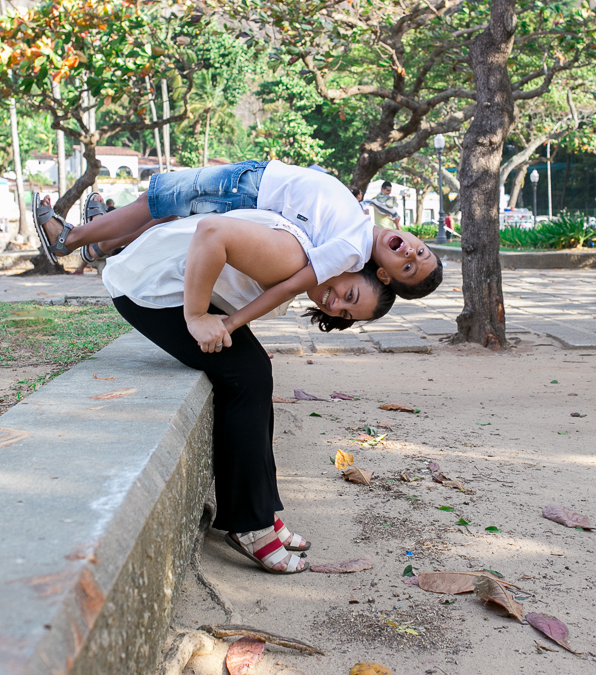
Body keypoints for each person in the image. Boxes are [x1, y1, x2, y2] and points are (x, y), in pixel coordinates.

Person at [103, 208, 395, 573]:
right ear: (350, 261)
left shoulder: (305, 259)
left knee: (256, 371)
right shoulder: (292, 256)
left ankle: (260, 511)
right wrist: (195, 317)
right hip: (148, 289)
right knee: (248, 376)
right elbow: (211, 230)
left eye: (346, 314)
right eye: (348, 293)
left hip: (169, 286)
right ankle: (250, 525)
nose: (334, 305)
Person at [34, 160, 442, 301]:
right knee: (164, 214)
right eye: (420, 253)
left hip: (248, 189)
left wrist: (231, 324)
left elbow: (292, 286)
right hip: (252, 185)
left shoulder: (352, 247)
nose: (411, 255)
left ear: (385, 274)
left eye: (409, 268)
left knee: (154, 200)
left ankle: (67, 240)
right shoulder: (358, 224)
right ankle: (100, 241)